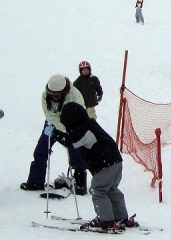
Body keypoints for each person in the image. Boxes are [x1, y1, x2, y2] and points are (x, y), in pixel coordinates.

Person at [58, 96, 136, 231]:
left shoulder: (83, 130)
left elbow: (71, 142)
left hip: (105, 165)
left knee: (98, 190)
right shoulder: (90, 124)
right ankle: (121, 217)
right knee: (111, 189)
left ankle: (105, 219)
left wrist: (54, 133)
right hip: (116, 161)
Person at [20, 74, 88, 196]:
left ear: (64, 91)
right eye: (51, 94)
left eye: (56, 95)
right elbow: (50, 116)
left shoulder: (75, 96)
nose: (53, 97)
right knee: (41, 150)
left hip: (73, 125)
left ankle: (80, 184)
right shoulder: (45, 95)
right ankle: (36, 182)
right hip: (51, 124)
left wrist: (69, 134)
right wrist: (60, 132)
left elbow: (80, 115)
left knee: (76, 151)